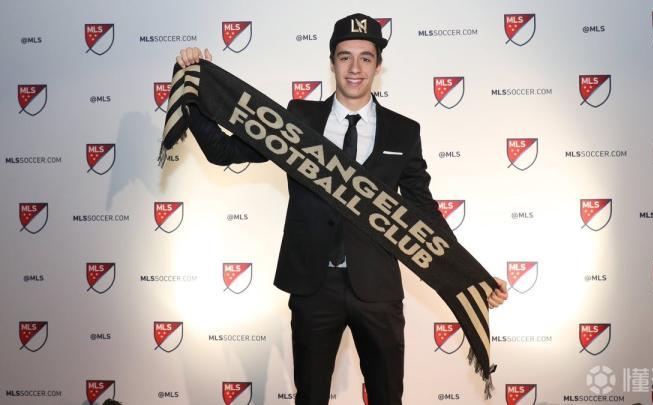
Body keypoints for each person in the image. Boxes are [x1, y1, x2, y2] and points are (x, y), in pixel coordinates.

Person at [176, 13, 508, 405]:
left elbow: (425, 211)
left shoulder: (404, 131)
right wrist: (192, 89)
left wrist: (471, 275)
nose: (355, 68)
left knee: (387, 398)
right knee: (311, 398)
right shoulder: (299, 118)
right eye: (345, 56)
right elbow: (222, 151)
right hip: (312, 287)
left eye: (366, 58)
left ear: (378, 66)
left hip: (378, 291)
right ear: (331, 62)